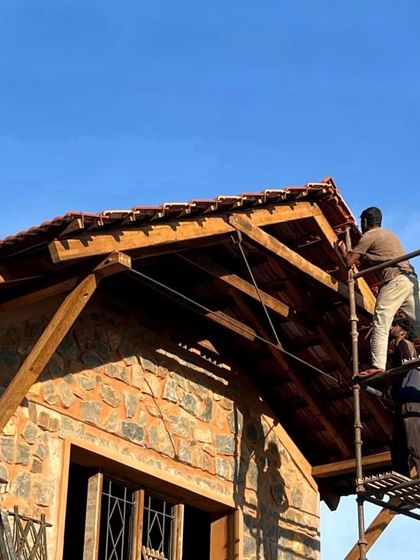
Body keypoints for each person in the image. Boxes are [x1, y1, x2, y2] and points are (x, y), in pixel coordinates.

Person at [343, 206, 420, 377]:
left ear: (364, 222)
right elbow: (366, 263)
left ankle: (378, 364)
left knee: (381, 319)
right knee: (418, 320)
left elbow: (349, 262)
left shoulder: (369, 235)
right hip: (411, 278)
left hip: (395, 280)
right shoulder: (390, 235)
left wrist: (344, 251)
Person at [388, 317, 420, 478]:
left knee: (415, 445)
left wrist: (400, 341)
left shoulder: (405, 343)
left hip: (411, 401)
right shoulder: (396, 356)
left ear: (402, 331)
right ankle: (401, 479)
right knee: (398, 449)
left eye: (394, 325)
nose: (390, 327)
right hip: (403, 402)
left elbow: (410, 354)